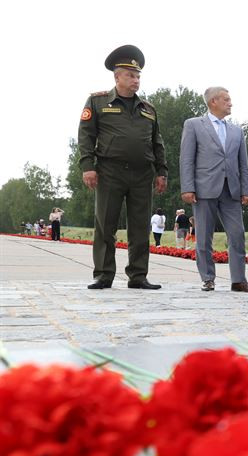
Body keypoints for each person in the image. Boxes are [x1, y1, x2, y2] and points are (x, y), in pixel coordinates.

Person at [79, 44, 167, 290]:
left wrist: (162, 172)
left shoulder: (148, 109)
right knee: (105, 224)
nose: (135, 80)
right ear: (117, 77)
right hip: (109, 172)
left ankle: (138, 276)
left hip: (142, 174)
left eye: (138, 76)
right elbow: (86, 135)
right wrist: (88, 166)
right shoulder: (97, 102)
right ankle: (104, 275)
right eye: (130, 75)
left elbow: (156, 142)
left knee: (140, 227)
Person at [180, 86, 248, 293]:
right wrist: (187, 187)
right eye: (226, 99)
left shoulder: (236, 130)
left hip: (231, 190)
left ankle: (238, 280)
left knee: (237, 234)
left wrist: (246, 190)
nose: (230, 103)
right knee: (204, 236)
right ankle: (208, 278)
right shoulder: (194, 125)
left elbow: (243, 163)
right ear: (213, 101)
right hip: (204, 189)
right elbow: (186, 159)